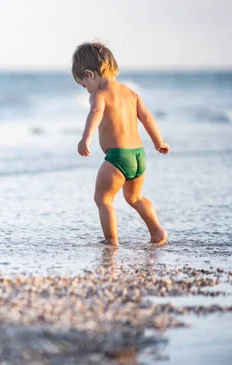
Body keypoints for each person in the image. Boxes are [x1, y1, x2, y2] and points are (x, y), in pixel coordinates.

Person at [72, 42, 169, 246]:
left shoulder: (99, 95)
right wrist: (159, 141)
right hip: (138, 155)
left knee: (103, 199)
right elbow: (147, 118)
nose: (86, 90)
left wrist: (86, 138)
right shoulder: (131, 93)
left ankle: (111, 240)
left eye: (83, 85)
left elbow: (96, 113)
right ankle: (157, 231)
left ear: (90, 74)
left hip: (118, 157)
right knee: (135, 198)